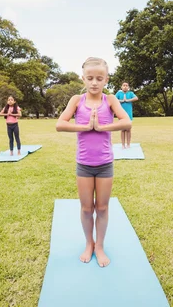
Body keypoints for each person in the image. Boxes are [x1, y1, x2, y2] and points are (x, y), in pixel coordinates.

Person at [56, 57, 132, 267]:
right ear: (83, 78)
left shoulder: (110, 100)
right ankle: (89, 243)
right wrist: (84, 127)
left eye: (99, 78)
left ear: (106, 79)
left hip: (105, 164)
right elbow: (59, 124)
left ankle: (100, 246)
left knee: (103, 208)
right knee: (87, 208)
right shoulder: (76, 100)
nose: (94, 82)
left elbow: (127, 122)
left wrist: (102, 127)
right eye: (90, 78)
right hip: (84, 164)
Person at [115, 82, 138, 148]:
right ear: (121, 87)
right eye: (124, 85)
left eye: (126, 85)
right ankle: (123, 145)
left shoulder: (130, 93)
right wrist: (121, 100)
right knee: (122, 129)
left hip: (129, 114)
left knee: (128, 129)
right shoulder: (119, 93)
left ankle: (128, 144)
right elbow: (114, 99)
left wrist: (128, 100)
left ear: (128, 87)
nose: (125, 87)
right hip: (121, 114)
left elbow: (136, 98)